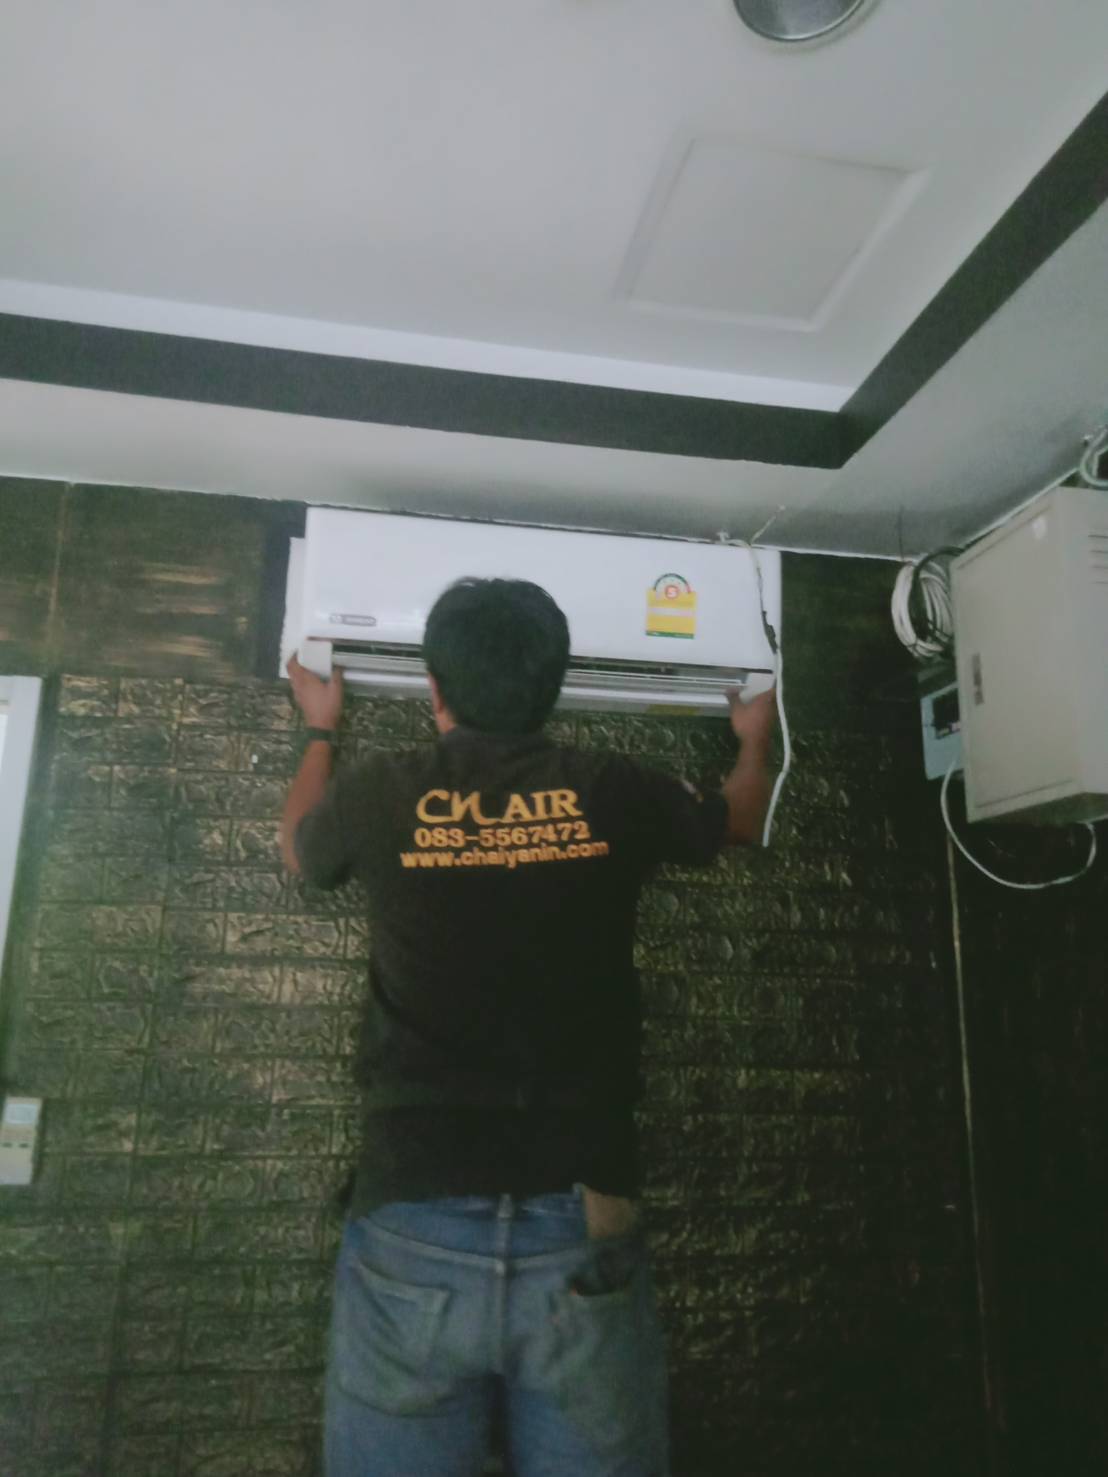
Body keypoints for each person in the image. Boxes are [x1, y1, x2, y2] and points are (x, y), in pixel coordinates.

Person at [281, 576, 777, 1477]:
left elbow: (300, 845)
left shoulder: (383, 790)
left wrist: (320, 729)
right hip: (579, 1218)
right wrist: (754, 738)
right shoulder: (609, 788)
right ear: (553, 687)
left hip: (414, 1214)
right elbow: (740, 817)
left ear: (434, 688)